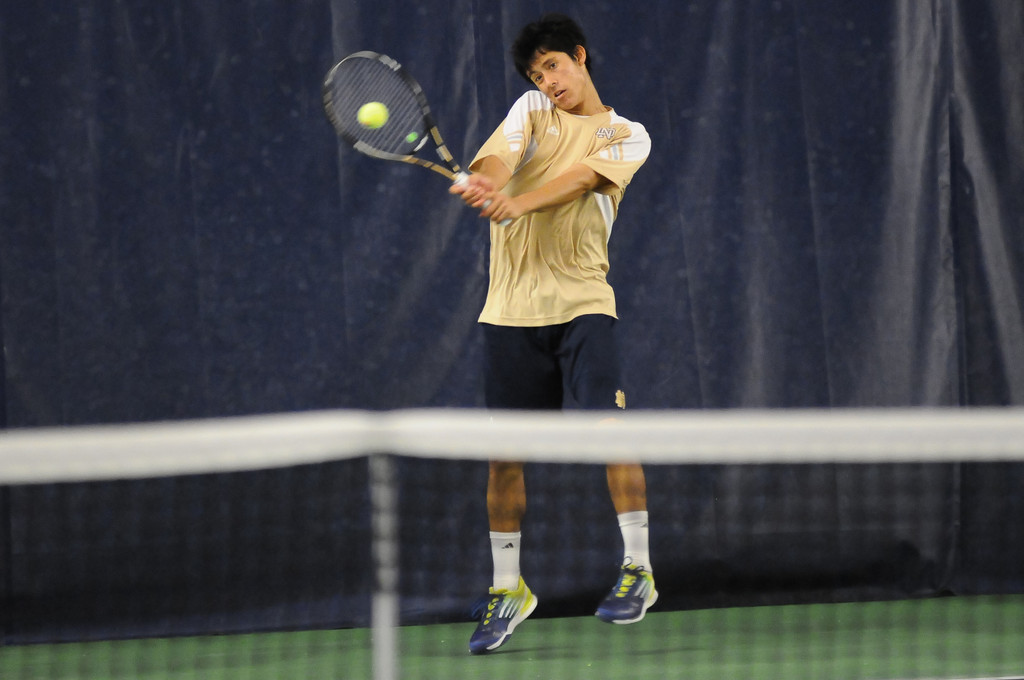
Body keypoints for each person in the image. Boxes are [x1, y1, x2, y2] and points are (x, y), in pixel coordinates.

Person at [450, 13, 654, 655]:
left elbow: (580, 180)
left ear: (580, 57)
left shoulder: (627, 134)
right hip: (509, 310)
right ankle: (507, 587)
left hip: (583, 302)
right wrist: (488, 179)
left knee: (608, 428)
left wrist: (518, 202)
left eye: (554, 66)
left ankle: (639, 570)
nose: (548, 80)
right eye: (538, 73)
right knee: (504, 455)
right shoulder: (531, 110)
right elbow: (499, 155)